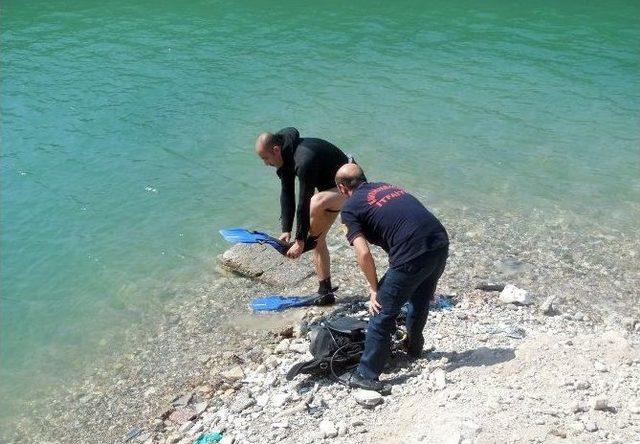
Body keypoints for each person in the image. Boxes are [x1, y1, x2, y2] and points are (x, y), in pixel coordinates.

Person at [335, 163, 449, 392]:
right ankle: (414, 349)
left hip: (412, 252)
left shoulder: (349, 209)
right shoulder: (387, 187)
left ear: (341, 188)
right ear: (363, 178)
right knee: (419, 299)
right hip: (439, 242)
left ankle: (366, 374)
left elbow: (363, 253)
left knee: (381, 311)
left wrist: (374, 288)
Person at [255, 127, 349, 302]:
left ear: (275, 150)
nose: (265, 163)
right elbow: (287, 194)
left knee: (315, 203)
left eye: (265, 158)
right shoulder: (285, 155)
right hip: (329, 190)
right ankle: (325, 292)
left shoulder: (304, 160)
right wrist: (286, 230)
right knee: (317, 238)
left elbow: (304, 202)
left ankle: (304, 244)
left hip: (350, 187)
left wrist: (299, 240)